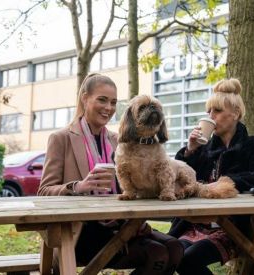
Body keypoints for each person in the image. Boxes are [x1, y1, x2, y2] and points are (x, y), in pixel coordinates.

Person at [38, 73, 183, 275]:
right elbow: (44, 192)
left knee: (176, 248)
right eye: (102, 100)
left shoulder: (121, 140)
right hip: (81, 233)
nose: (108, 108)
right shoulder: (61, 138)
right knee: (157, 253)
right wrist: (78, 186)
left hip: (125, 224)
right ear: (84, 98)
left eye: (113, 102)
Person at [168, 78, 254, 275]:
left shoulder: (252, 145)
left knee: (188, 260)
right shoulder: (203, 149)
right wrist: (190, 151)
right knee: (171, 256)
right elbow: (178, 178)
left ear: (235, 114)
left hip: (234, 229)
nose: (211, 116)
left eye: (217, 111)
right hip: (196, 225)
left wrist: (228, 183)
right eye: (209, 112)